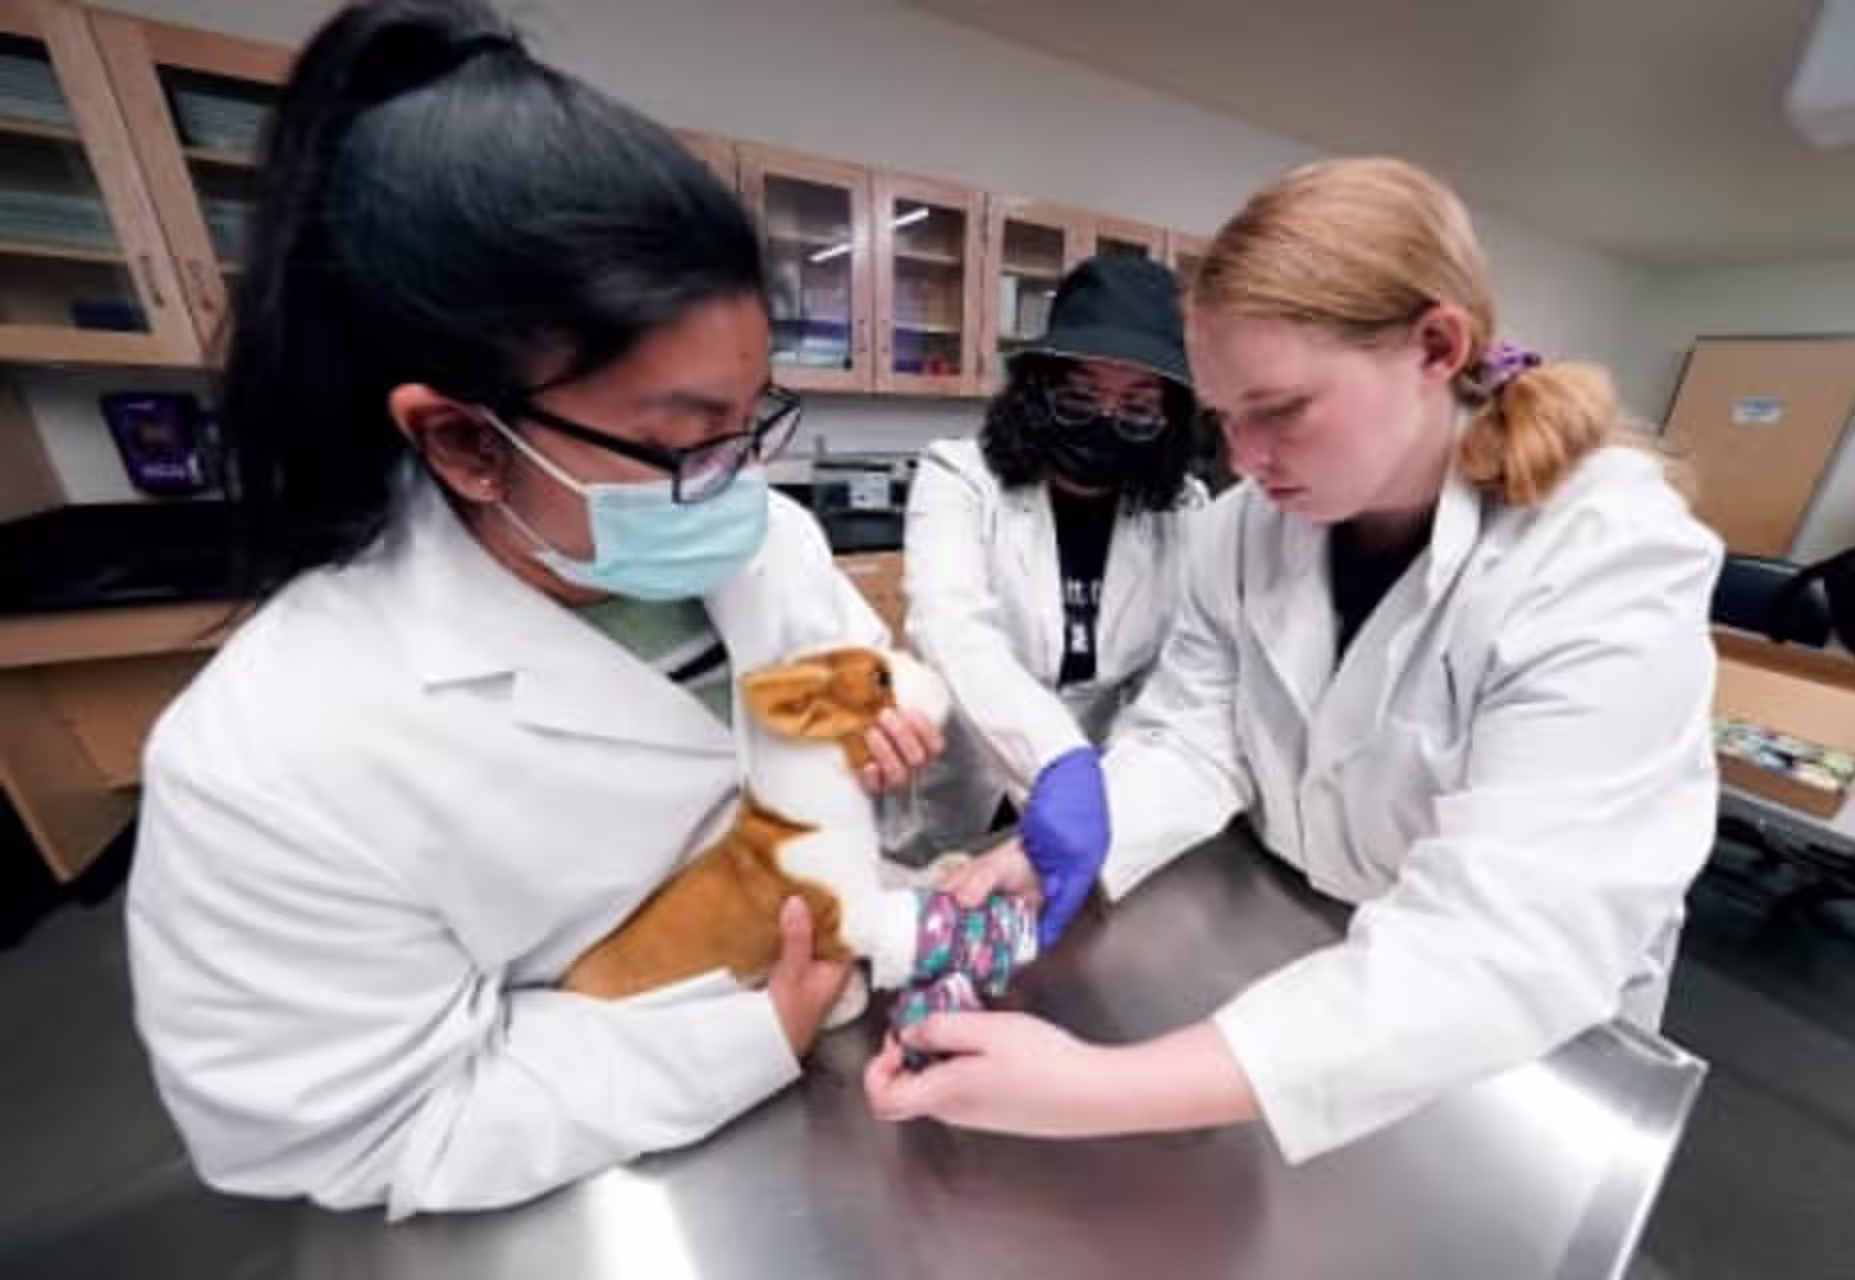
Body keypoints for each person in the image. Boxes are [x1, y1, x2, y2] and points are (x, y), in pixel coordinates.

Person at [127, 0, 940, 1218]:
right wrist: (747, 1030)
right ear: (461, 438)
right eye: (679, 440)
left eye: (750, 418)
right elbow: (372, 1129)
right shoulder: (274, 751)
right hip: (603, 1189)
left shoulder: (768, 539)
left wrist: (891, 738)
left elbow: (863, 695)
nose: (738, 479)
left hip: (850, 1075)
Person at [866, 157, 1724, 1161]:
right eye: (1225, 419)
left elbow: (1509, 936)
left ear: (1437, 346)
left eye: (1279, 409)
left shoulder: (1602, 547)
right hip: (1295, 935)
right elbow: (1196, 731)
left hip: (1508, 1029)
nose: (1244, 457)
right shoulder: (1243, 530)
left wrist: (1097, 1087)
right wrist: (1082, 839)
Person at [903, 257, 1207, 946]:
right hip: (974, 776)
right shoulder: (960, 475)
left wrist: (1112, 785)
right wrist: (1057, 761)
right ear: (1035, 390)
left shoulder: (1186, 508)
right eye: (1079, 394)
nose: (1105, 419)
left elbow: (1174, 670)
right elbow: (951, 627)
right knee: (949, 925)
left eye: (1137, 406)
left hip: (1108, 790)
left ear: (1170, 418)